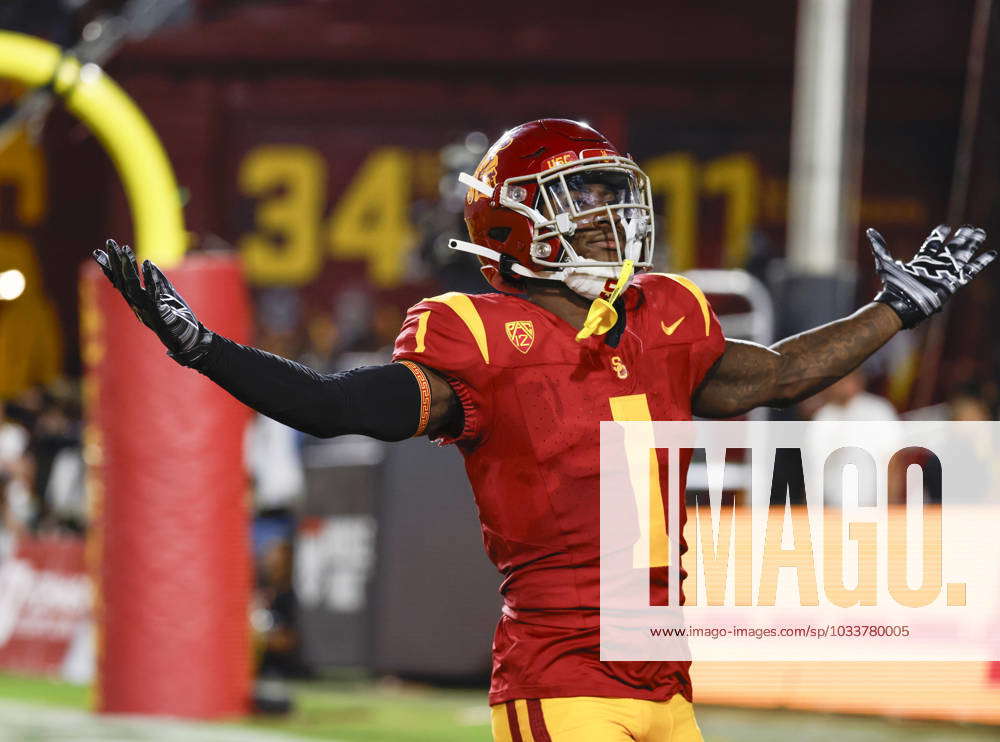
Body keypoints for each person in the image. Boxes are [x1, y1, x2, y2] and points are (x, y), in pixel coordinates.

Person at [92, 119, 995, 742]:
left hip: (664, 671)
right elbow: (332, 406)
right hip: (562, 670)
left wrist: (895, 309)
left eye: (610, 193)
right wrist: (201, 347)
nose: (608, 214)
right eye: (581, 197)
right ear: (516, 221)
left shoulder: (660, 315)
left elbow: (778, 374)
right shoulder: (478, 336)